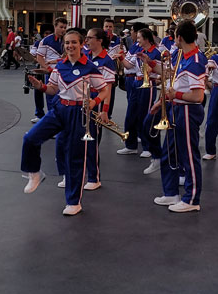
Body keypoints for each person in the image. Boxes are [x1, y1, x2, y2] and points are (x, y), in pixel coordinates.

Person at [22, 30, 106, 216]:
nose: (70, 46)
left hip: (79, 113)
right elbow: (52, 89)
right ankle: (34, 172)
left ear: (81, 44)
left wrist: (94, 102)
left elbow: (103, 90)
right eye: (67, 43)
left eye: (74, 42)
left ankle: (73, 202)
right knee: (30, 138)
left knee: (74, 158)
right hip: (60, 108)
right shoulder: (60, 66)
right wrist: (40, 87)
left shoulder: (90, 67)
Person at [151, 21, 208, 212]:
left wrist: (176, 95)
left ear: (179, 38)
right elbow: (168, 73)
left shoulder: (195, 61)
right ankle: (170, 193)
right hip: (176, 108)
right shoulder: (181, 55)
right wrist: (149, 63)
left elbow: (198, 96)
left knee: (189, 156)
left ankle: (192, 199)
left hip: (187, 110)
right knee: (168, 152)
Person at [83, 28, 116, 190]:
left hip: (96, 103)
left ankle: (93, 178)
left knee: (92, 144)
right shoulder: (85, 56)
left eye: (90, 38)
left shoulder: (107, 61)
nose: (86, 41)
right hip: (82, 103)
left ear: (99, 41)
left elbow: (107, 89)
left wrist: (104, 110)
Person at [135, 28, 165, 174]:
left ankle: (153, 153)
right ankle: (157, 157)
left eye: (140, 37)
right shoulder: (143, 51)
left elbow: (163, 74)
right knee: (144, 120)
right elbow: (165, 71)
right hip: (143, 84)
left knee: (149, 122)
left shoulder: (158, 52)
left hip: (176, 97)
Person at [116, 27, 144, 156]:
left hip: (140, 81)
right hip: (134, 80)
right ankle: (133, 142)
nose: (132, 34)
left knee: (140, 114)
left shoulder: (147, 50)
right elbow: (129, 64)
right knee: (133, 113)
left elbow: (130, 65)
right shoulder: (135, 47)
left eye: (138, 36)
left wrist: (121, 58)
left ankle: (146, 145)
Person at [33, 18, 67, 123]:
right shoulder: (46, 40)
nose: (63, 30)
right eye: (61, 27)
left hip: (64, 73)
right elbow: (39, 57)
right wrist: (47, 69)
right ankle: (52, 122)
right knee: (51, 99)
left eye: (65, 27)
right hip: (51, 74)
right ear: (55, 27)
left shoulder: (66, 40)